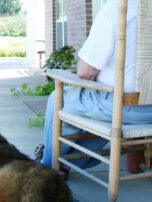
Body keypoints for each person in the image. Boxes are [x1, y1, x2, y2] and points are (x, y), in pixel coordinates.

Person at [38, 0, 152, 176]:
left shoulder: (117, 7)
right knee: (98, 110)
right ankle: (66, 163)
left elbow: (86, 71)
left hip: (121, 105)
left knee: (58, 98)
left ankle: (46, 170)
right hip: (147, 112)